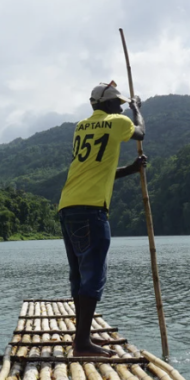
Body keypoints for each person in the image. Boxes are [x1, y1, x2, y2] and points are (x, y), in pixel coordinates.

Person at [58, 81, 147, 357]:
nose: (120, 106)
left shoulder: (81, 127)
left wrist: (131, 170)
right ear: (108, 105)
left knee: (79, 276)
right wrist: (136, 109)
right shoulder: (118, 121)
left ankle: (81, 338)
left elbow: (100, 170)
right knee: (94, 275)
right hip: (92, 210)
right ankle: (82, 343)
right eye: (118, 103)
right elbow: (141, 132)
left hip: (68, 205)